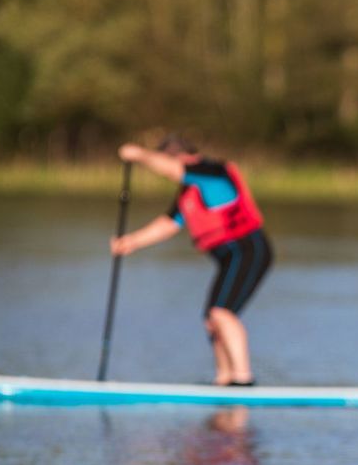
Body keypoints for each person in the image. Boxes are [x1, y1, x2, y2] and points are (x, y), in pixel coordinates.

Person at [111, 134, 273, 386]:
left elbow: (172, 170)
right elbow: (169, 224)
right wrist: (131, 242)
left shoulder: (211, 171)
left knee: (222, 313)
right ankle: (224, 378)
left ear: (181, 157)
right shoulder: (189, 191)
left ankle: (243, 380)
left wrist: (139, 155)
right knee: (212, 320)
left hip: (248, 250)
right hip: (230, 256)